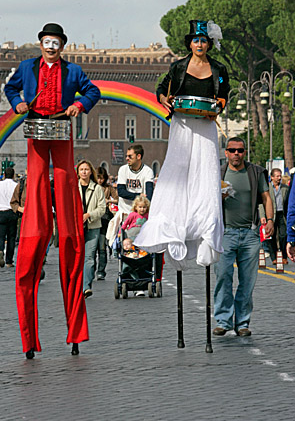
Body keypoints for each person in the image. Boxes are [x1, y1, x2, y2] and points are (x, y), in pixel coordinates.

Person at [4, 22, 100, 358]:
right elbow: (11, 89)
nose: (50, 47)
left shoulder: (73, 71)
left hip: (61, 130)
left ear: (61, 46)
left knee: (64, 185)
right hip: (35, 129)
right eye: (46, 42)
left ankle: (75, 330)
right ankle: (37, 225)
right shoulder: (27, 68)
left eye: (55, 42)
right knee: (37, 206)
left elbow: (92, 92)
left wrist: (79, 106)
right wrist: (17, 103)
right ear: (40, 44)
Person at [134, 20, 229, 270]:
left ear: (209, 44)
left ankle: (205, 229)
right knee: (177, 170)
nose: (199, 44)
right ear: (190, 43)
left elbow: (224, 95)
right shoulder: (178, 67)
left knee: (206, 174)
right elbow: (161, 89)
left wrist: (218, 106)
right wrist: (165, 99)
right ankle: (171, 223)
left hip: (206, 125)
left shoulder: (219, 69)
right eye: (196, 40)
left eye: (204, 41)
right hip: (182, 124)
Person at [213, 137, 274, 337]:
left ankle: (242, 323)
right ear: (226, 153)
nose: (236, 154)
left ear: (244, 152)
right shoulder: (217, 173)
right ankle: (223, 320)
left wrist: (270, 219)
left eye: (240, 150)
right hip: (225, 233)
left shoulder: (255, 172)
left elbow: (266, 198)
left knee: (247, 281)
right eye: (232, 150)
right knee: (223, 276)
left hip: (250, 233)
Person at [77, 160, 106, 298]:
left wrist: (89, 215)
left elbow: (102, 209)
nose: (84, 172)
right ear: (78, 172)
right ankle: (77, 286)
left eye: (86, 169)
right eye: (81, 169)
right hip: (76, 228)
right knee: (77, 257)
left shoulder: (97, 188)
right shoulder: (72, 188)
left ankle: (86, 286)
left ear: (90, 172)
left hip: (93, 226)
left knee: (89, 257)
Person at [0, 167, 18, 268]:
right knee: (11, 238)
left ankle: (0, 250)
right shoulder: (16, 185)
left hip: (1, 213)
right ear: (13, 175)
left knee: (0, 236)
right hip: (13, 212)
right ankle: (9, 260)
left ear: (4, 175)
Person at [259, 168, 289, 265]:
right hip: (271, 214)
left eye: (280, 176)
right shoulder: (267, 188)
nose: (279, 178)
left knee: (283, 235)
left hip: (282, 214)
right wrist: (263, 216)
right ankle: (274, 257)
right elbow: (261, 203)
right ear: (272, 177)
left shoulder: (285, 188)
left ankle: (284, 256)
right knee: (271, 235)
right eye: (277, 176)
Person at [117, 144, 154, 215]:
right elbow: (121, 191)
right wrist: (139, 196)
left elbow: (149, 194)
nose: (127, 158)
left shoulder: (148, 171)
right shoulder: (123, 169)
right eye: (126, 156)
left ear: (138, 156)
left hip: (140, 213)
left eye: (130, 156)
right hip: (125, 211)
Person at [96, 166, 118, 280]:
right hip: (93, 219)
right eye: (98, 178)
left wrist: (109, 200)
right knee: (92, 248)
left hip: (104, 218)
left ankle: (101, 271)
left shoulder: (108, 188)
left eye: (102, 178)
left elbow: (118, 198)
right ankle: (92, 268)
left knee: (102, 246)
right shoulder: (92, 187)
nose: (100, 180)